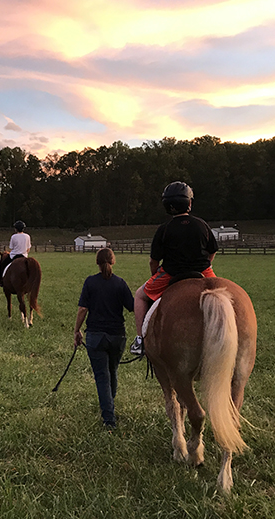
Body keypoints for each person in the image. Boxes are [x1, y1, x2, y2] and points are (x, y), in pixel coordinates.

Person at [130, 181, 219, 355]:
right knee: (227, 296)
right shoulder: (202, 224)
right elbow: (212, 250)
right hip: (203, 272)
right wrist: (207, 264)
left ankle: (140, 340)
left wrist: (155, 274)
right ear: (189, 203)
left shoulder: (164, 229)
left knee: (140, 296)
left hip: (170, 274)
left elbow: (153, 261)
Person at [74, 247, 134, 428]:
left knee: (102, 377)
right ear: (113, 261)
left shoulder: (90, 282)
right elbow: (132, 306)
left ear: (97, 263)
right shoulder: (120, 283)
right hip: (117, 336)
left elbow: (83, 309)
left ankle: (109, 419)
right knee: (112, 372)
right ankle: (109, 404)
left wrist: (77, 330)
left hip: (96, 336)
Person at [0, 220, 31, 286]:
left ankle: (0, 281)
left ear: (16, 229)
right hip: (24, 256)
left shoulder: (14, 236)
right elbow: (28, 248)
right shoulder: (27, 236)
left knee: (3, 264)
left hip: (14, 256)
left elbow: (12, 248)